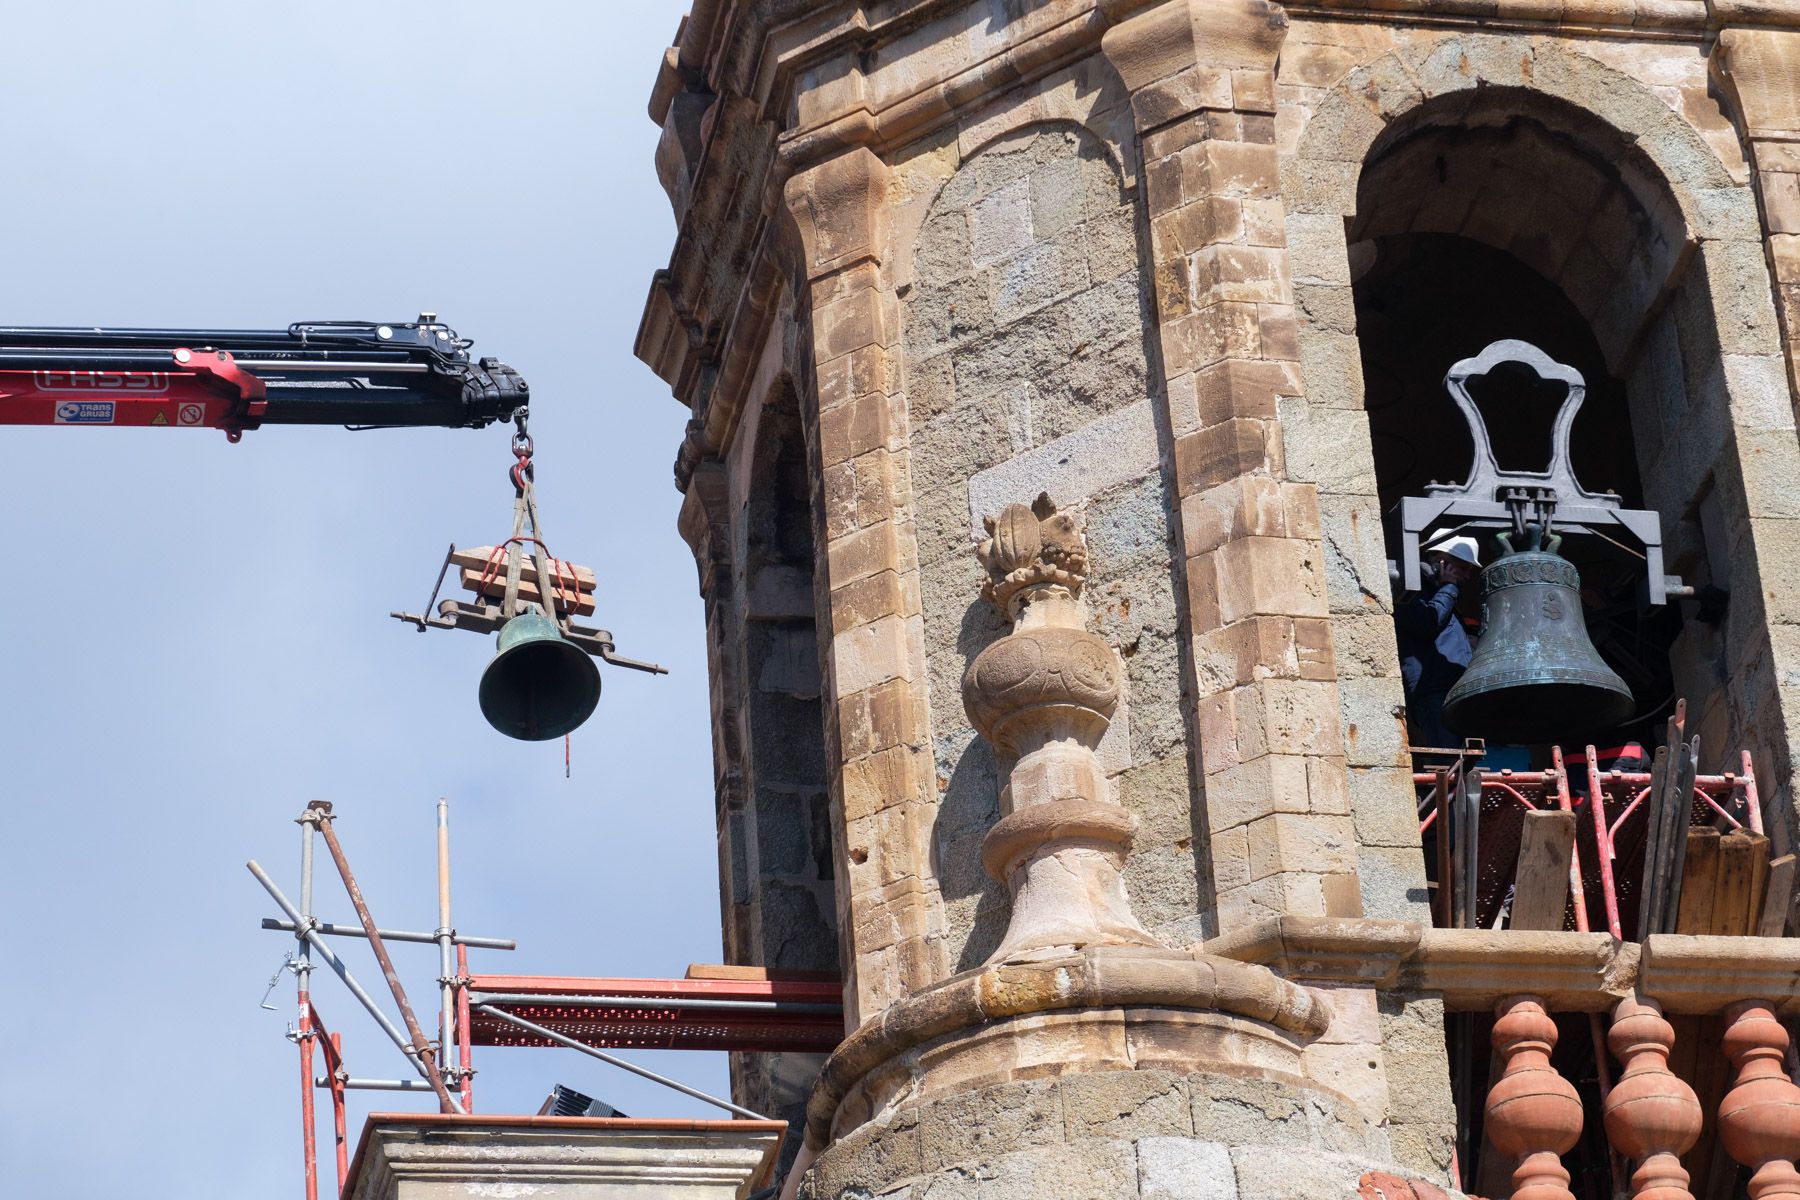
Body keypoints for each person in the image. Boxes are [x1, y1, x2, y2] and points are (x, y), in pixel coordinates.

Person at [1397, 536, 1480, 755]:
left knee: (1465, 762)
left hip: (1452, 690)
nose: (1467, 576)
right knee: (1450, 761)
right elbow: (1426, 623)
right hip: (1434, 692)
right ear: (1442, 561)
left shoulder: (1443, 596)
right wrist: (1449, 588)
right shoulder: (1410, 591)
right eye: (1463, 568)